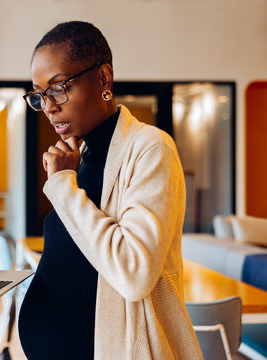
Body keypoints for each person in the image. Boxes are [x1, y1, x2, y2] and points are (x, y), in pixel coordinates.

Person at [18, 21, 202, 359]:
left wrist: (61, 186)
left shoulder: (150, 148)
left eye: (59, 88)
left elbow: (133, 270)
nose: (48, 105)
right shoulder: (81, 157)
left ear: (103, 78)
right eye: (39, 94)